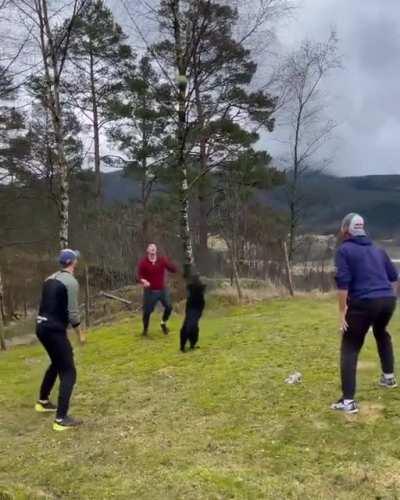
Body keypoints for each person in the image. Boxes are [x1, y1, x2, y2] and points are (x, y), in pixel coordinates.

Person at [331, 213, 399, 414]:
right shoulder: (378, 249)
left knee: (350, 346)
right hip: (387, 300)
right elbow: (394, 278)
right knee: (381, 333)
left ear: (346, 230)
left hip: (362, 302)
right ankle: (389, 378)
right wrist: (389, 297)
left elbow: (343, 284)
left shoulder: (344, 250)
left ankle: (348, 402)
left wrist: (342, 313)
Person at [35, 249, 86, 431]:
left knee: (57, 363)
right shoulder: (70, 282)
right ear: (73, 262)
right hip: (53, 330)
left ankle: (42, 401)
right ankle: (61, 419)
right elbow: (72, 312)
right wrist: (80, 332)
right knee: (69, 371)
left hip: (41, 327)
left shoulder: (50, 278)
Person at [137, 243, 177, 336]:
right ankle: (145, 330)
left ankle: (163, 323)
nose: (152, 249)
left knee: (169, 307)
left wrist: (173, 266)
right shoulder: (143, 263)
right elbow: (139, 276)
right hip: (150, 291)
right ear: (147, 251)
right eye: (151, 248)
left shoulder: (161, 260)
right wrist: (144, 281)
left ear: (156, 250)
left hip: (162, 290)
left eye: (154, 248)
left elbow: (172, 269)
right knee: (147, 312)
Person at [180, 274, 206, 352]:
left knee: (192, 326)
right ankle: (185, 345)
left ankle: (189, 345)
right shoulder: (197, 287)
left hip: (195, 308)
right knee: (190, 326)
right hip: (194, 308)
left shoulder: (193, 286)